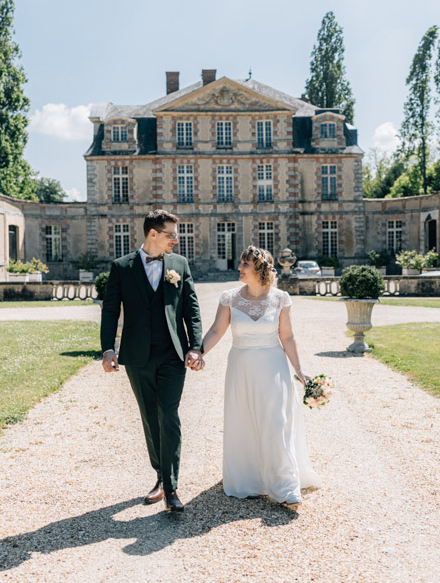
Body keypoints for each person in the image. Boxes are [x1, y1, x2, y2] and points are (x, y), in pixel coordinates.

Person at [197, 245, 321, 508]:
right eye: (241, 263)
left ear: (260, 269)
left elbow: (287, 337)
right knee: (244, 421)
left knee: (276, 422)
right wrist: (199, 352)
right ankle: (249, 480)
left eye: (245, 264)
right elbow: (216, 330)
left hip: (273, 368)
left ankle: (284, 486)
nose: (239, 267)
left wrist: (300, 371)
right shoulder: (229, 298)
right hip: (241, 368)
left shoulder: (280, 298)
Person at [100, 209, 204, 512]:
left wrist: (195, 347)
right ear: (153, 234)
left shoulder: (180, 265)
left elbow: (192, 309)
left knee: (168, 413)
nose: (176, 239)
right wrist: (108, 349)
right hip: (137, 355)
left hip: (173, 353)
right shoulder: (122, 267)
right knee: (149, 416)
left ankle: (171, 487)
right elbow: (110, 310)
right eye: (170, 234)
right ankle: (160, 474)